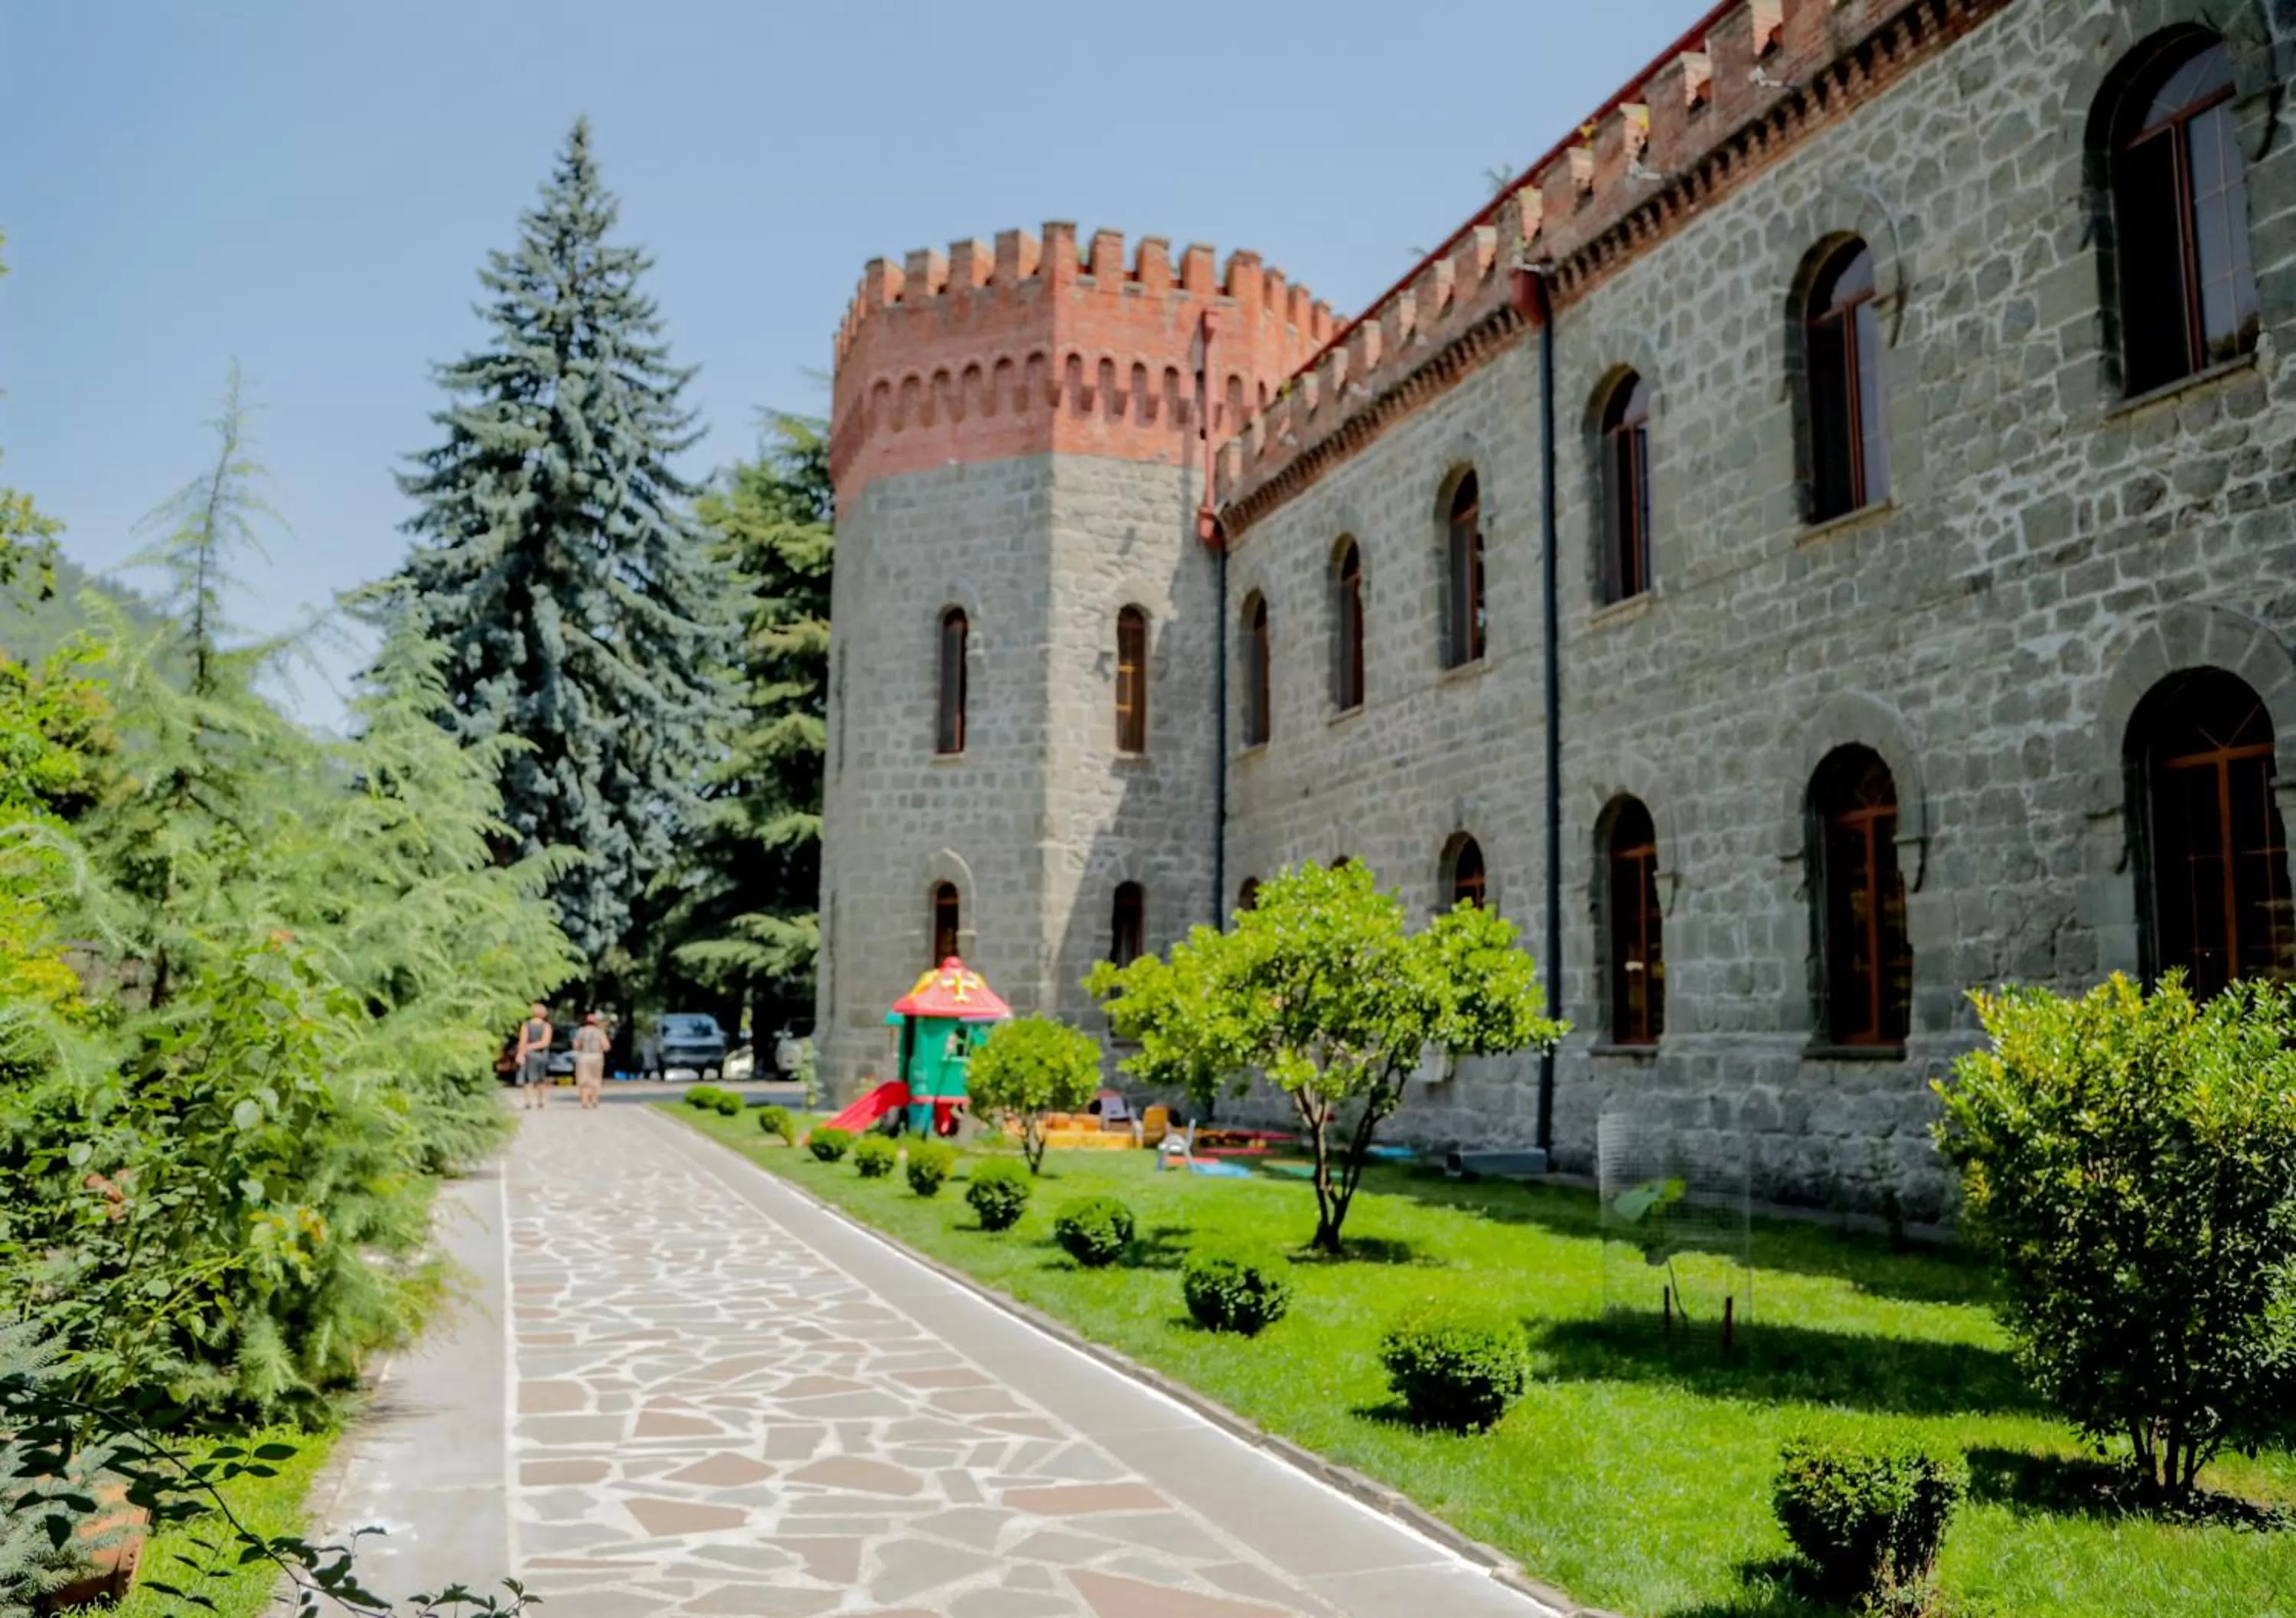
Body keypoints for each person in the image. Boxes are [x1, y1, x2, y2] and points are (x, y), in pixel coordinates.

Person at [514, 1002, 553, 1112]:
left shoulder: (526, 1025)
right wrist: (532, 1047)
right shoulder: (547, 1026)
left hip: (529, 1055)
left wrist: (522, 1053)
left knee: (528, 1079)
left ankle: (528, 1101)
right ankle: (541, 1101)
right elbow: (546, 1042)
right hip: (542, 1055)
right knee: (541, 1079)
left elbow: (522, 1042)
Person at [572, 1011, 609, 1111]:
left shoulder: (581, 1031)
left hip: (584, 1056)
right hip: (597, 1056)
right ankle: (594, 1099)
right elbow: (606, 1046)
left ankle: (584, 1101)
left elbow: (576, 1045)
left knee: (583, 1079)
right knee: (596, 1078)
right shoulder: (600, 1032)